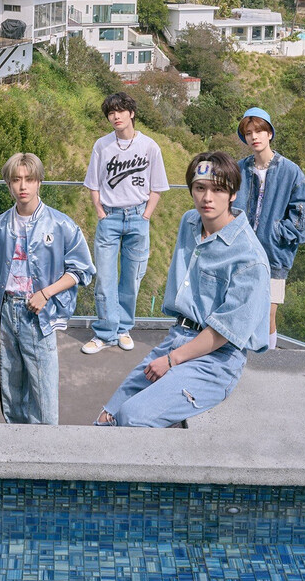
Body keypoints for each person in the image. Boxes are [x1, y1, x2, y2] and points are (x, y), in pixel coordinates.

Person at [95, 151, 270, 428]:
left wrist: (171, 360)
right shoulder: (190, 222)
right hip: (178, 337)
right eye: (200, 188)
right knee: (107, 417)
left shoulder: (249, 259)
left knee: (133, 418)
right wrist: (172, 353)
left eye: (218, 189)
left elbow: (225, 332)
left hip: (216, 359)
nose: (207, 198)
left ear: (233, 193)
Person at [0, 153, 95, 425]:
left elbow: (81, 270)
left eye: (29, 179)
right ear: (8, 183)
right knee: (11, 387)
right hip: (6, 313)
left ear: (40, 181)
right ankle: (16, 449)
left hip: (38, 315)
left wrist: (45, 293)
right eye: (16, 180)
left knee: (43, 391)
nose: (23, 186)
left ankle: (44, 455)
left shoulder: (61, 224)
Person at [81, 92, 170, 355]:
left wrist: (146, 215)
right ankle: (105, 332)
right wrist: (99, 210)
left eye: (120, 111)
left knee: (131, 279)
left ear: (131, 113)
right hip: (109, 217)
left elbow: (158, 186)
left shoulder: (150, 146)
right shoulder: (102, 145)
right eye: (110, 113)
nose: (115, 117)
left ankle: (123, 329)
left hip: (138, 218)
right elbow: (93, 183)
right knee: (105, 278)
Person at [235, 106, 305, 349]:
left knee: (268, 313)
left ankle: (268, 358)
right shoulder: (239, 169)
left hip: (275, 254)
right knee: (240, 306)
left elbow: (304, 215)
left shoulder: (290, 171)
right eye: (249, 133)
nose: (254, 137)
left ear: (269, 133)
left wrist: (279, 233)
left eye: (259, 130)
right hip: (241, 252)